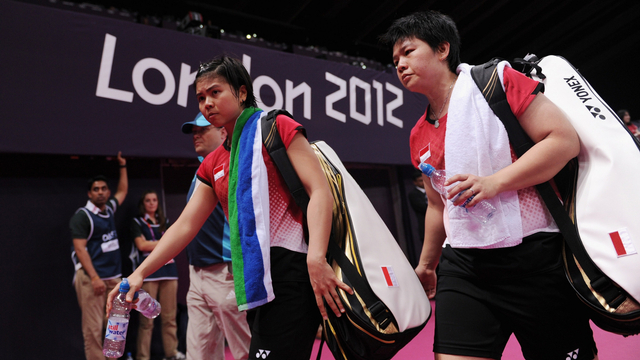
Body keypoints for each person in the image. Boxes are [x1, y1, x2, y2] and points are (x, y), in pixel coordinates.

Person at [381, 11, 598, 360]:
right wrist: (426, 264)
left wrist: (495, 182)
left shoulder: (497, 81)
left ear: (442, 49)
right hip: (465, 266)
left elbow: (562, 141)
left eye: (407, 51)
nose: (400, 64)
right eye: (395, 60)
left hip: (536, 258)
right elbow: (438, 206)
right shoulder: (418, 134)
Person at [108, 56, 352, 360]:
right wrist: (138, 274)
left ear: (241, 92)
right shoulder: (213, 164)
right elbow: (185, 226)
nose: (206, 103)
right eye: (200, 97)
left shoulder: (276, 127)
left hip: (294, 271)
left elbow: (320, 192)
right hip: (253, 280)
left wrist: (316, 259)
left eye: (215, 92)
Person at [180, 112, 250, 360]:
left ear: (223, 133)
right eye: (193, 132)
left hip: (226, 273)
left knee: (247, 352)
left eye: (202, 129)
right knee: (199, 355)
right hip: (196, 274)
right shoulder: (202, 169)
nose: (196, 135)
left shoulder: (234, 167)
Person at [70, 152, 128, 360]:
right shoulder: (82, 217)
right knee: (93, 330)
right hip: (92, 279)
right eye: (96, 189)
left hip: (113, 278)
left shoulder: (109, 209)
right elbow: (80, 250)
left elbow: (122, 191)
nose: (101, 193)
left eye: (104, 189)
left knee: (116, 328)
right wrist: (94, 278)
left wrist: (122, 166)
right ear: (89, 193)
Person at [130, 190, 184, 360]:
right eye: (148, 200)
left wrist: (160, 244)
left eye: (154, 200)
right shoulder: (137, 222)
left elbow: (174, 242)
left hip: (169, 273)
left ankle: (172, 353)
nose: (152, 203)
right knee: (147, 322)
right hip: (150, 275)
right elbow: (141, 245)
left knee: (170, 317)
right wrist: (163, 243)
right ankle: (143, 357)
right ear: (143, 203)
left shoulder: (164, 221)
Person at [408, 169, 428, 241]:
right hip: (425, 226)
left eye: (424, 180)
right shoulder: (413, 194)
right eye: (420, 180)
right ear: (415, 182)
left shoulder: (432, 191)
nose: (423, 182)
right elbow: (423, 208)